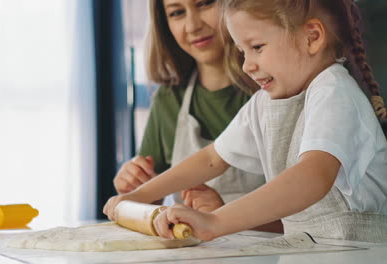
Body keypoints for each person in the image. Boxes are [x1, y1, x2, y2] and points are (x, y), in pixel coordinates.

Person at [104, 0, 387, 243]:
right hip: (313, 249)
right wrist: (140, 195)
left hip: (363, 250)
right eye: (242, 52)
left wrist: (215, 222)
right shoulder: (265, 104)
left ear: (311, 36)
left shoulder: (335, 92)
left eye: (257, 47)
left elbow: (312, 177)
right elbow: (213, 158)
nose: (247, 65)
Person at [113, 0, 285, 232]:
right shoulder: (169, 100)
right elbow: (151, 202)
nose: (193, 25)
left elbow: (308, 214)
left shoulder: (276, 91)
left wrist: (222, 214)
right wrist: (134, 188)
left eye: (204, 3)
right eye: (177, 13)